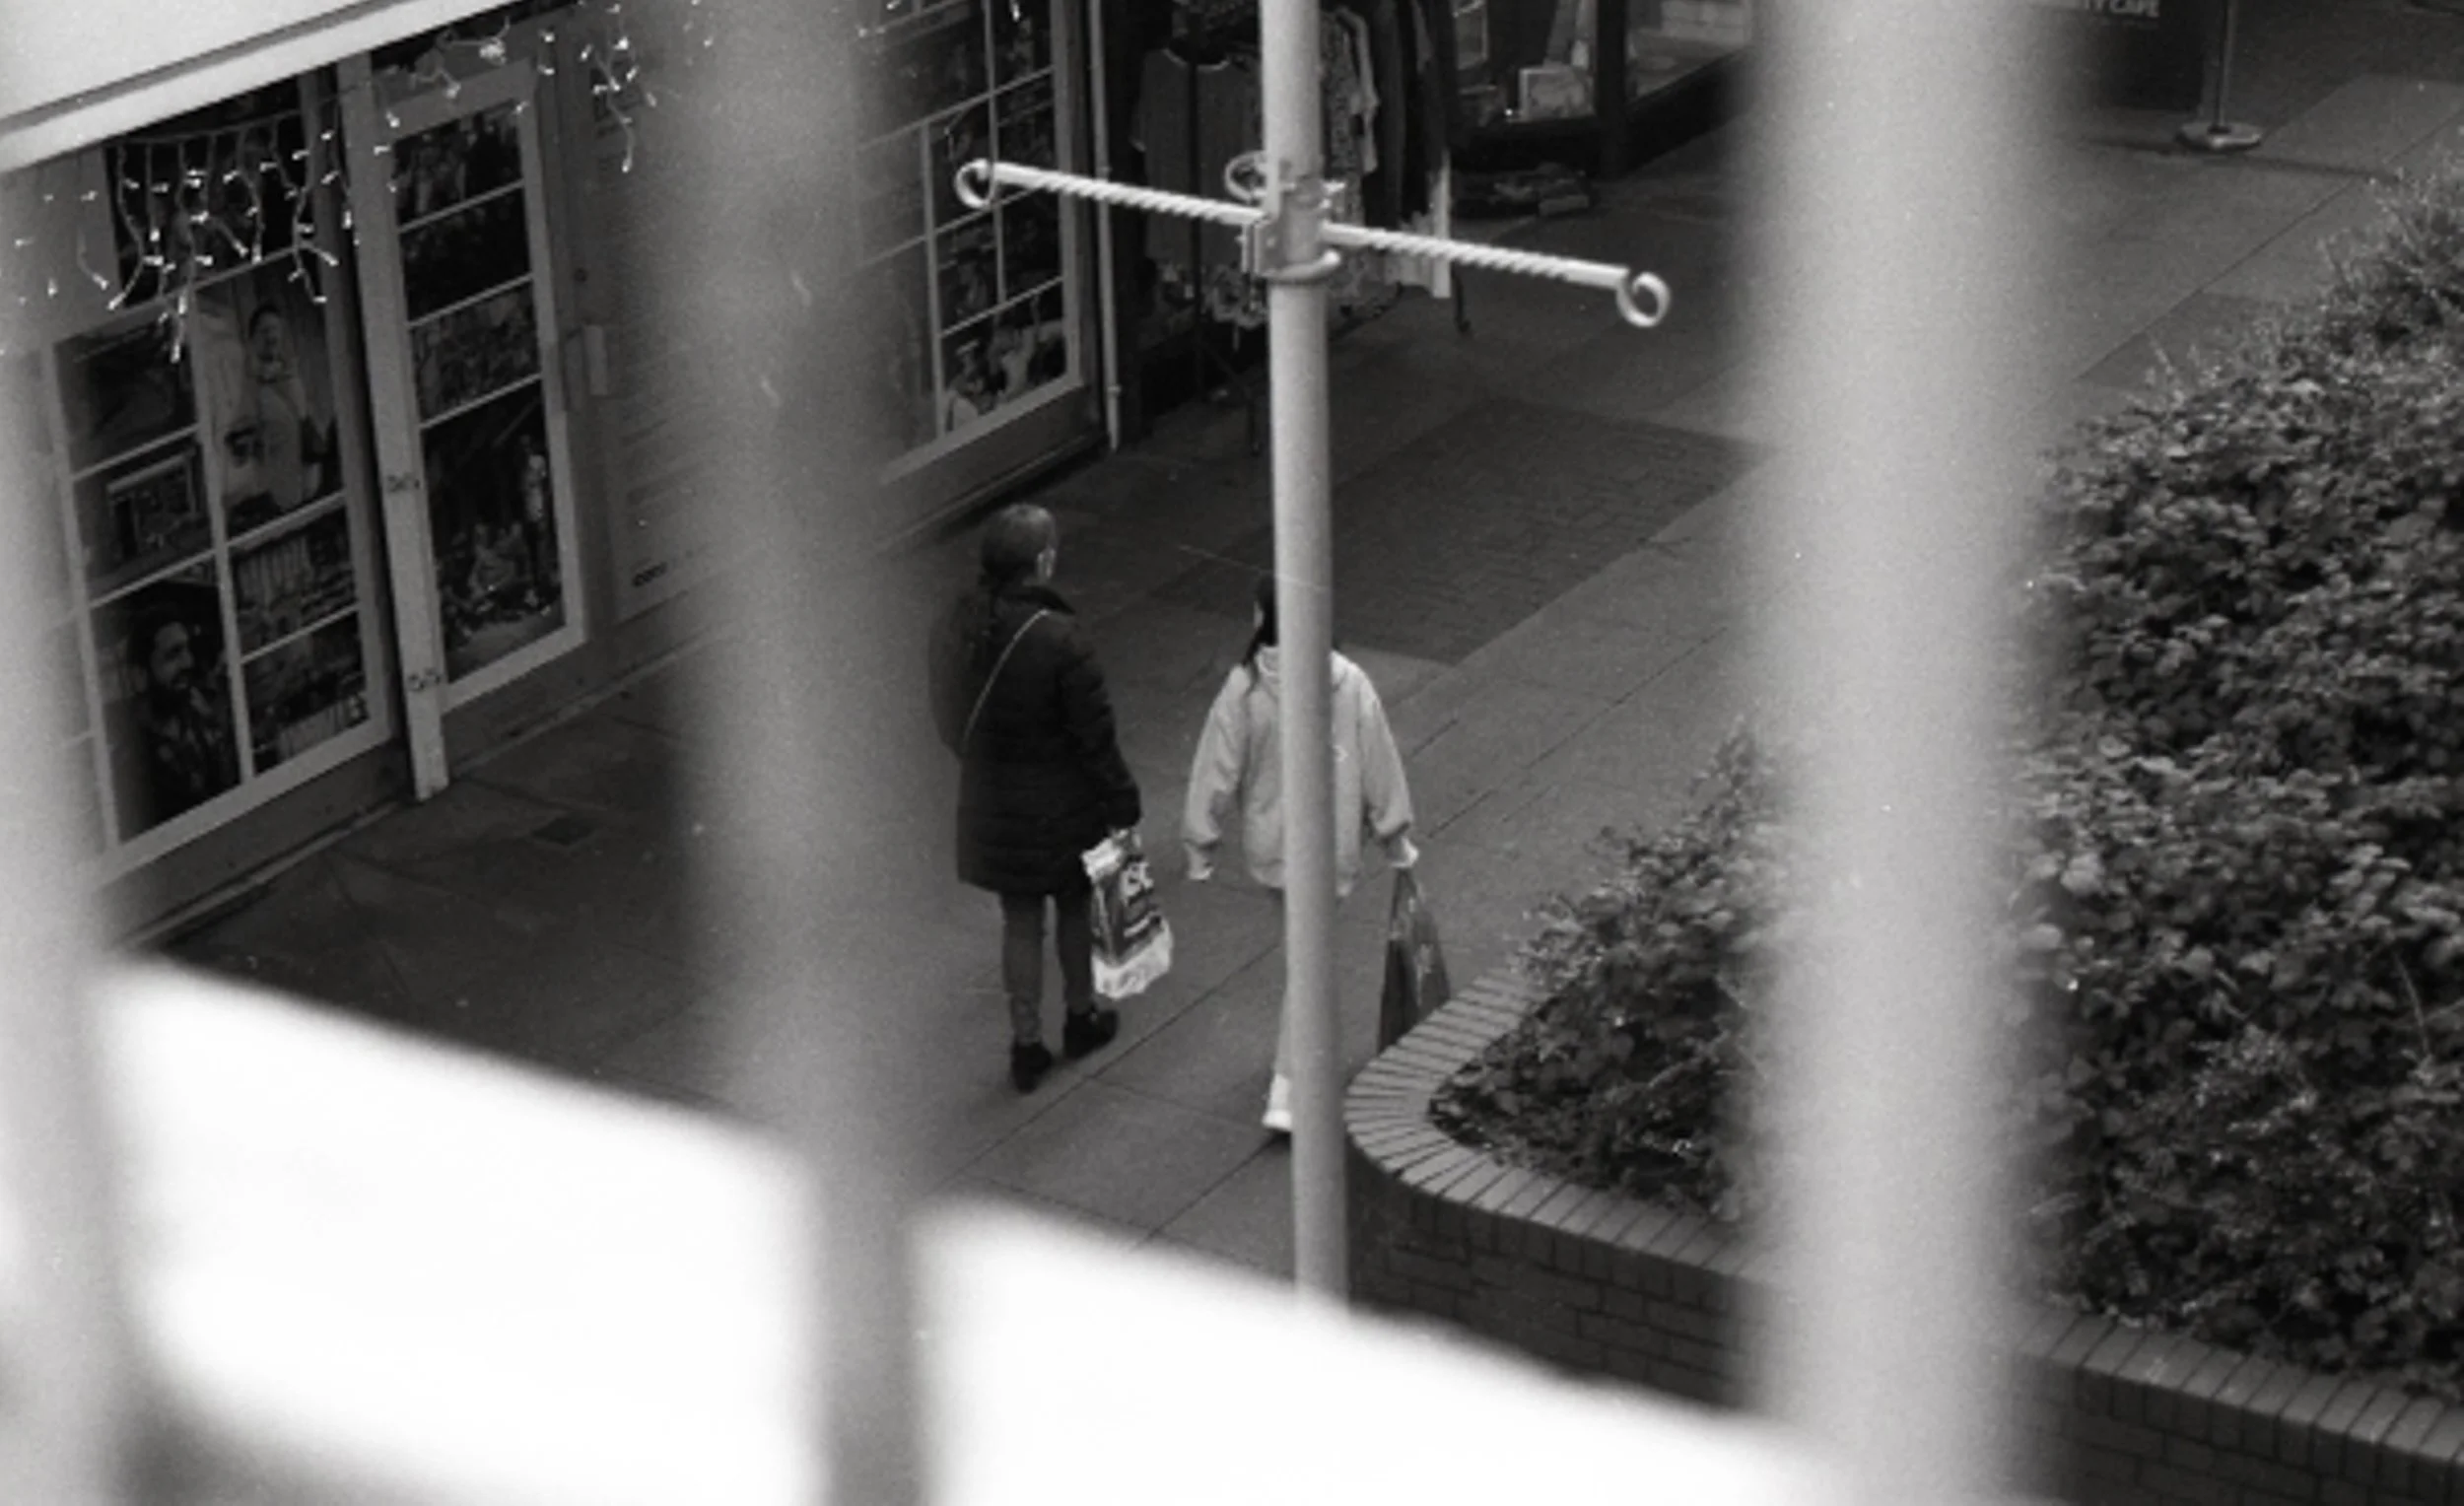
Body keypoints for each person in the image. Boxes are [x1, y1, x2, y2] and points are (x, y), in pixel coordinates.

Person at [1183, 574, 1419, 1132]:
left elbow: (1214, 769)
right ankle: (1290, 1089)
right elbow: (1379, 764)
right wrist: (1395, 837)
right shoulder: (1348, 683)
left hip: (1274, 848)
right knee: (1310, 964)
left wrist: (1201, 843)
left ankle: (1298, 1076)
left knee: (1303, 956)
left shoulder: (1243, 689)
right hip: (1330, 846)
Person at [928, 504, 1143, 1093]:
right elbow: (1095, 737)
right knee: (1072, 906)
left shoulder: (956, 626)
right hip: (1062, 801)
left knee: (1019, 920)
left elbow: (948, 720)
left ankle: (1026, 1044)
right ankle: (1080, 1016)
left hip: (991, 801)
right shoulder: (1060, 639)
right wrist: (1122, 804)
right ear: (1042, 560)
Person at [131, 607, 238, 830]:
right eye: (173, 655)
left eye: (187, 650)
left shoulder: (200, 718)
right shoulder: (134, 758)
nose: (188, 662)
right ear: (140, 675)